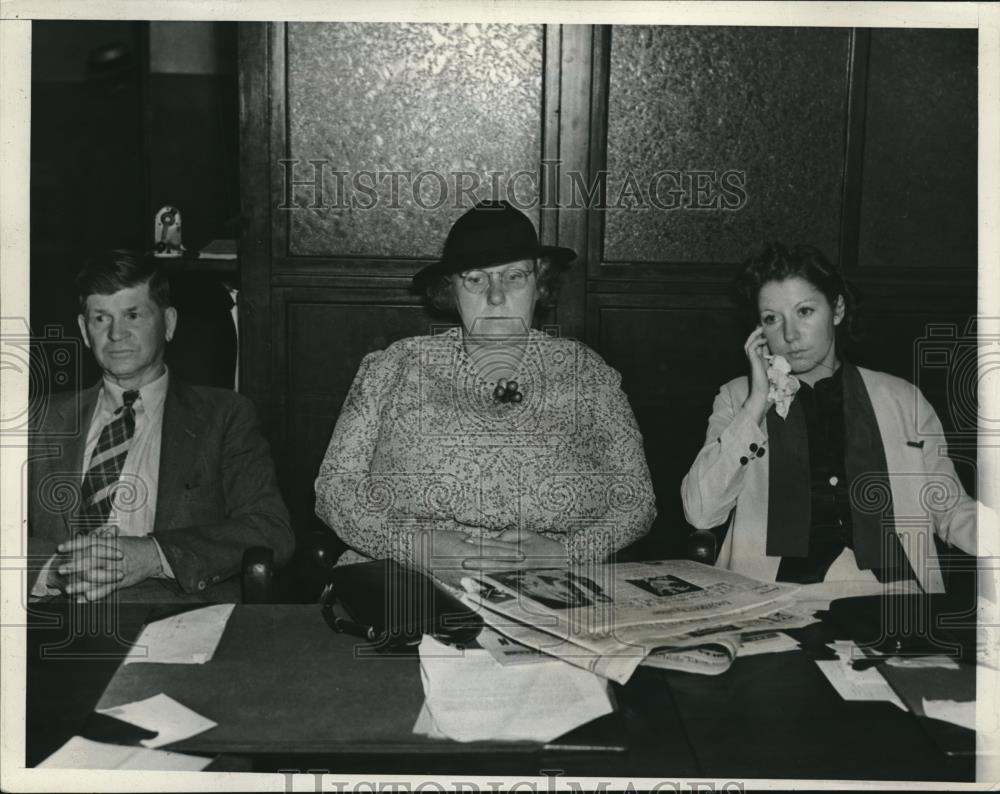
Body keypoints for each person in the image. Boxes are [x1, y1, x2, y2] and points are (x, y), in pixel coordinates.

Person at [315, 200, 656, 582]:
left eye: (514, 277)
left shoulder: (589, 375)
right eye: (475, 279)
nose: (496, 297)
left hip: (551, 589)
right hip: (406, 581)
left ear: (539, 283)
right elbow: (334, 490)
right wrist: (413, 548)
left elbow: (637, 501)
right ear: (451, 289)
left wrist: (567, 553)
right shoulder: (392, 368)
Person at [681, 242, 978, 592]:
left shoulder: (903, 399)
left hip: (891, 596)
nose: (790, 335)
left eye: (804, 311)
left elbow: (950, 508)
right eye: (772, 319)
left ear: (836, 309)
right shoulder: (737, 399)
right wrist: (757, 403)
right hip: (774, 597)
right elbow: (700, 512)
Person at [27, 251, 294, 602]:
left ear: (168, 323)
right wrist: (56, 569)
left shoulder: (225, 416)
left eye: (133, 315)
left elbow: (271, 529)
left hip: (174, 615)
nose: (116, 334)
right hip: (54, 616)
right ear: (83, 330)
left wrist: (152, 555)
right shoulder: (40, 419)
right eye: (101, 318)